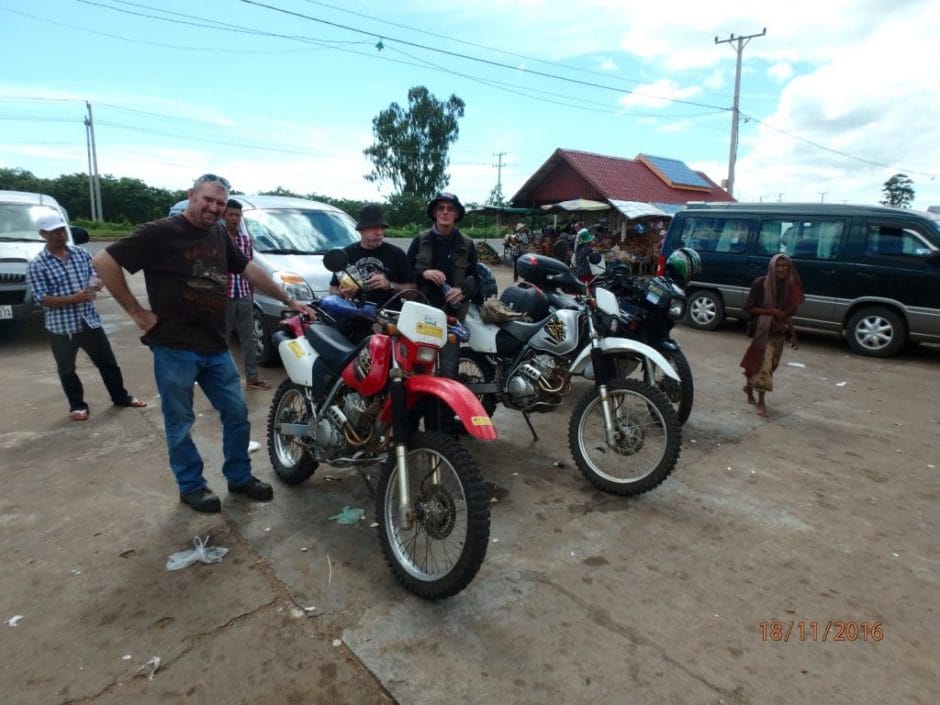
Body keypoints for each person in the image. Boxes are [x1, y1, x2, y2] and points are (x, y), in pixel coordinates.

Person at [92, 174, 316, 513]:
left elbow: (248, 269)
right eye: (208, 200)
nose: (214, 208)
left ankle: (239, 477)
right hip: (174, 347)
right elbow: (104, 261)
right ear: (191, 195)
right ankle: (191, 486)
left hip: (215, 345)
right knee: (180, 422)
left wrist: (289, 299)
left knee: (237, 413)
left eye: (220, 203)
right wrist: (137, 312)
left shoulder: (218, 233)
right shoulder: (160, 232)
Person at [26, 213, 146, 422]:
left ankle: (120, 396)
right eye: (54, 232)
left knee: (107, 362)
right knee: (67, 369)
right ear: (43, 234)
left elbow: (96, 274)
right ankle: (77, 405)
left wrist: (96, 284)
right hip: (61, 327)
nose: (61, 235)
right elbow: (42, 298)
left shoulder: (81, 254)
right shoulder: (37, 264)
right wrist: (75, 298)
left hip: (89, 320)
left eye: (62, 230)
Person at [406, 191, 478, 431]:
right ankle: (410, 430)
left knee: (448, 374)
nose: (445, 212)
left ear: (456, 214)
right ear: (434, 213)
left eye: (450, 208)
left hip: (451, 320)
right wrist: (423, 274)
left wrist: (462, 292)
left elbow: (477, 283)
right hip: (421, 318)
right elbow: (405, 275)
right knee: (416, 372)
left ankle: (444, 431)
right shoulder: (420, 240)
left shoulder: (467, 245)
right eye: (441, 208)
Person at [329, 203, 416, 341]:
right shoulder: (347, 254)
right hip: (355, 322)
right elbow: (332, 289)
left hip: (389, 323)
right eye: (374, 227)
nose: (379, 232)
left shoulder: (396, 254)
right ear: (361, 230)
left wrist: (389, 285)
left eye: (382, 228)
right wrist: (342, 292)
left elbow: (413, 292)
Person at [740, 254, 805, 418]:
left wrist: (793, 335)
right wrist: (771, 312)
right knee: (765, 366)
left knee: (772, 366)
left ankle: (749, 387)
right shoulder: (760, 283)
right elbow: (748, 309)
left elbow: (787, 314)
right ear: (772, 267)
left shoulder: (790, 287)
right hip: (763, 329)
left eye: (785, 266)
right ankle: (761, 403)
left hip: (779, 332)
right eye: (778, 266)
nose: (782, 269)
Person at [222, 199, 270, 391]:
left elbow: (249, 268)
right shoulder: (217, 238)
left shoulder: (245, 240)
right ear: (223, 216)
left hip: (243, 294)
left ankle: (252, 378)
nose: (234, 218)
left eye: (237, 215)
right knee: (223, 340)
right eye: (230, 214)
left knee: (249, 338)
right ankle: (223, 380)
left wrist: (251, 293)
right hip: (223, 296)